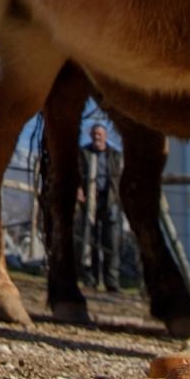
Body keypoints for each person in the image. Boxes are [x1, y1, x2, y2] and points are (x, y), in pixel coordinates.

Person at [76, 123, 124, 292]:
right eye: (95, 134)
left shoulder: (115, 155)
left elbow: (119, 178)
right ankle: (91, 279)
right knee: (90, 241)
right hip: (90, 202)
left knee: (110, 242)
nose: (97, 137)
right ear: (90, 136)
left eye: (100, 134)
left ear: (106, 136)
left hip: (110, 201)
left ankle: (112, 281)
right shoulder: (84, 153)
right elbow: (77, 174)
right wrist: (79, 190)